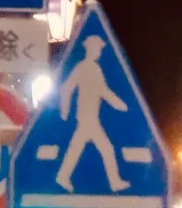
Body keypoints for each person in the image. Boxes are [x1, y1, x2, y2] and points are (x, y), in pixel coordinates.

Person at [55, 35, 129, 192]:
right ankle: (114, 182)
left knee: (76, 148)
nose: (100, 52)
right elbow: (67, 88)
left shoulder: (93, 68)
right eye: (98, 49)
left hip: (88, 118)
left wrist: (119, 104)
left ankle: (62, 176)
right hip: (88, 118)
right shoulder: (86, 68)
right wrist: (64, 109)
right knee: (106, 149)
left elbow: (102, 91)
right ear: (92, 49)